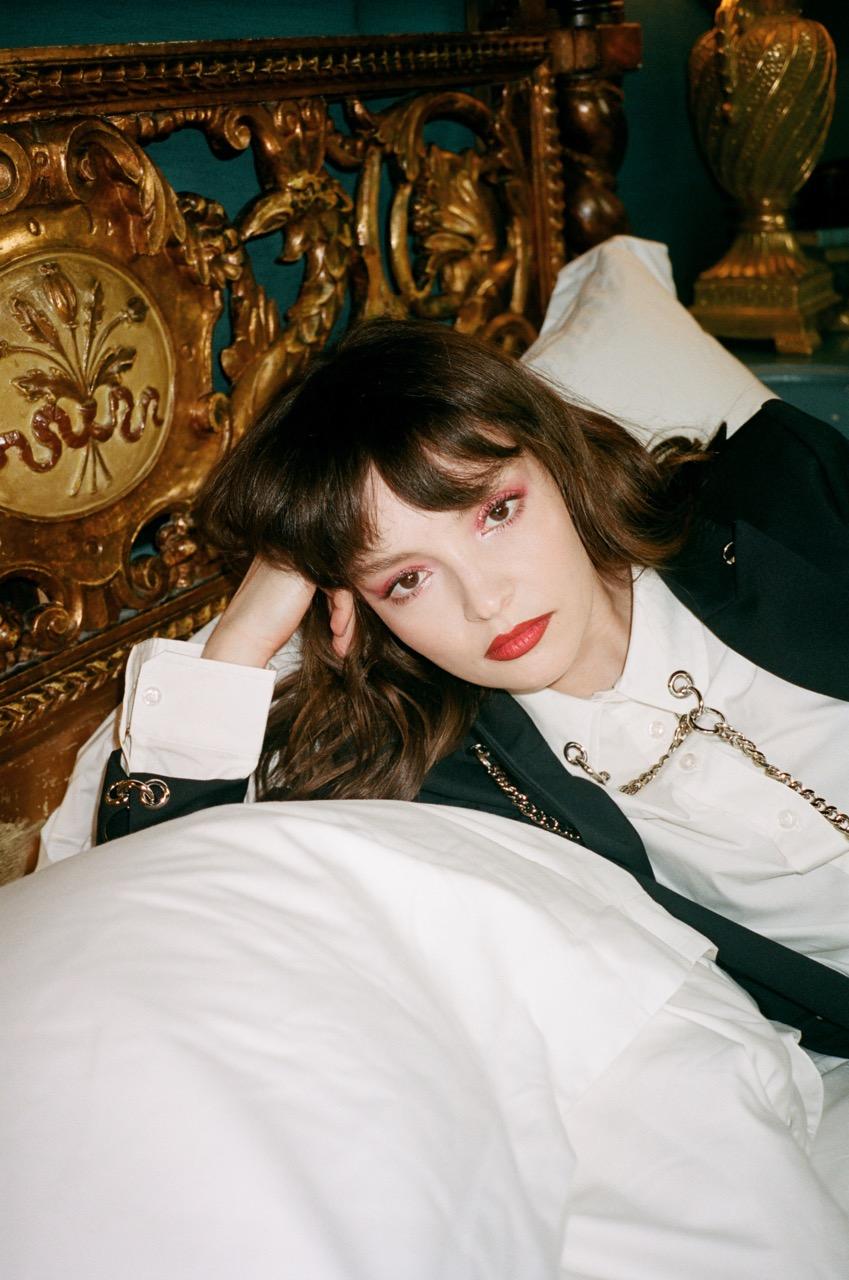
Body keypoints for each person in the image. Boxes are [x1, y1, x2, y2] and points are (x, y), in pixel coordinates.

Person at [44, 317, 849, 1056]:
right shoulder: (446, 781)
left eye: (495, 511)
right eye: (406, 579)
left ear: (555, 457)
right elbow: (157, 927)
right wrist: (241, 642)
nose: (485, 601)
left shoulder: (792, 501)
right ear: (359, 608)